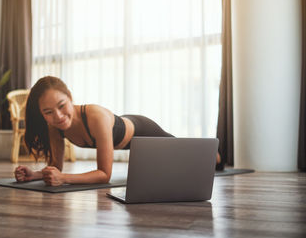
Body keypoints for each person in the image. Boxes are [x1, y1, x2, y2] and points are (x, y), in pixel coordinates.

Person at [14, 76, 220, 186]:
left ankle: (216, 154)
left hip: (143, 129)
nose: (57, 116)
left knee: (198, 159)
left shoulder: (95, 116)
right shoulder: (55, 128)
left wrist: (65, 178)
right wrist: (34, 175)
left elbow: (104, 175)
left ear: (70, 97)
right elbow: (55, 167)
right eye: (48, 112)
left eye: (61, 105)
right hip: (129, 139)